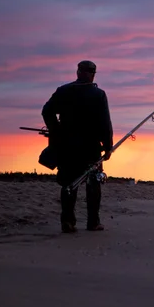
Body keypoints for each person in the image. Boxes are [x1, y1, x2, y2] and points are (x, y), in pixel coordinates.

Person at [42, 60, 113, 233]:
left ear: (78, 72)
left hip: (67, 146)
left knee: (68, 184)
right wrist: (108, 145)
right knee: (92, 183)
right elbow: (105, 123)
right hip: (90, 148)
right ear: (92, 74)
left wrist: (56, 130)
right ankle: (93, 223)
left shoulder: (63, 91)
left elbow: (47, 111)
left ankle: (68, 221)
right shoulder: (98, 94)